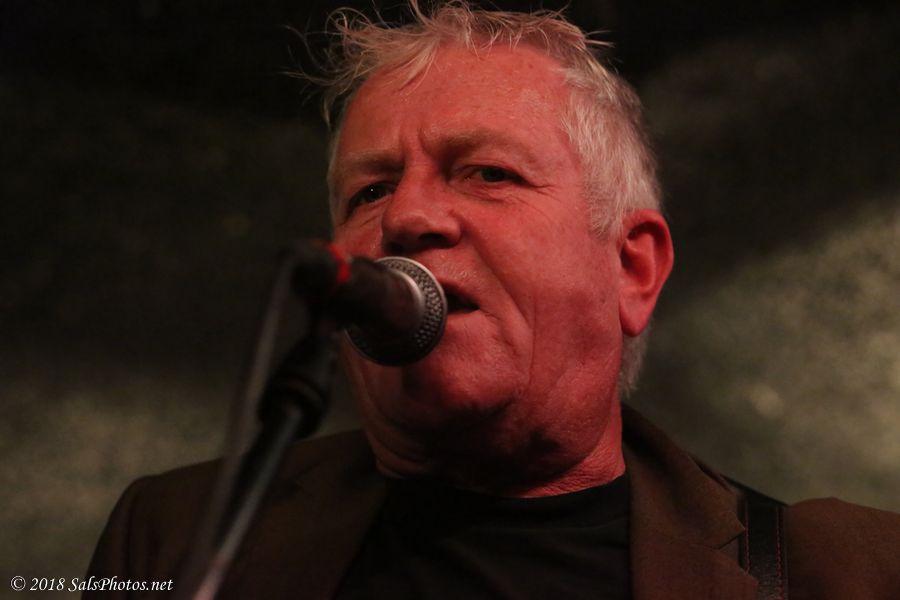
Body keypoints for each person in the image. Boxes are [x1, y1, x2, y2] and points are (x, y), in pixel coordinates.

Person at [86, 2, 900, 598]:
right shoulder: (173, 536)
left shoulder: (848, 573)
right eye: (370, 191)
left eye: (487, 173)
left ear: (633, 270)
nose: (405, 217)